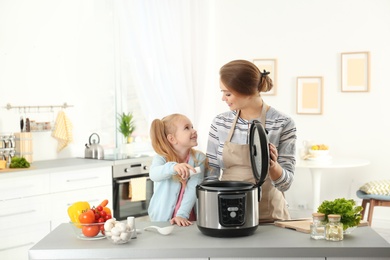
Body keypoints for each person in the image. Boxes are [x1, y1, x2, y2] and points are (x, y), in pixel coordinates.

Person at [206, 59, 297, 222]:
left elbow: (286, 184)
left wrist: (273, 165)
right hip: (227, 214)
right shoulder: (220, 123)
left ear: (246, 91)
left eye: (227, 93)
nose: (223, 98)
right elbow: (211, 174)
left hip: (269, 217)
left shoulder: (282, 123)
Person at [148, 113, 207, 226]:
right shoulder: (161, 158)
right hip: (161, 219)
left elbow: (193, 187)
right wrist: (173, 167)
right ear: (172, 138)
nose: (194, 131)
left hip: (187, 217)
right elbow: (154, 174)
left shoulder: (199, 159)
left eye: (192, 127)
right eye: (187, 128)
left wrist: (182, 215)